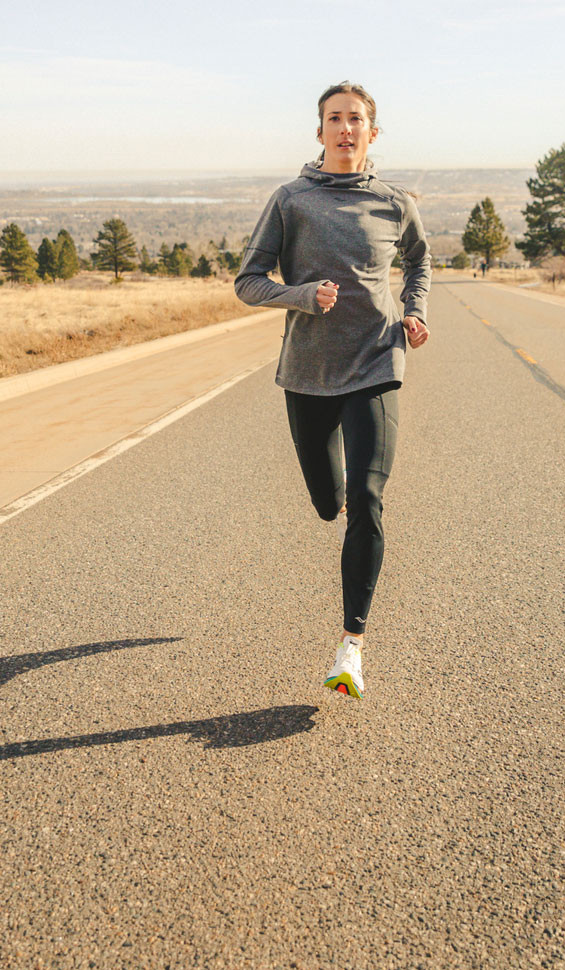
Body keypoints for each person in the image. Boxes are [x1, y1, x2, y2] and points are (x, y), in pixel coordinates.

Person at [234, 81, 431, 700]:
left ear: (374, 132)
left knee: (368, 495)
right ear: (319, 132)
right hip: (309, 373)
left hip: (376, 359)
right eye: (334, 119)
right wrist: (301, 296)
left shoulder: (395, 202)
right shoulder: (291, 201)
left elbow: (420, 261)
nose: (346, 128)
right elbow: (248, 280)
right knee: (330, 502)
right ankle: (339, 503)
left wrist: (415, 309)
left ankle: (352, 644)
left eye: (357, 119)